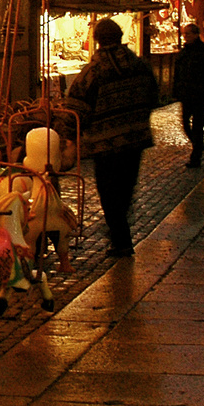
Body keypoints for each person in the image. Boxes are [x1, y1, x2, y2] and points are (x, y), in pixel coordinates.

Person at [62, 18, 157, 256]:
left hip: (105, 143)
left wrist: (69, 136)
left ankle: (121, 239)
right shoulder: (139, 65)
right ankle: (121, 232)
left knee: (109, 190)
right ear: (121, 36)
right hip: (135, 137)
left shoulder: (93, 72)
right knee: (126, 187)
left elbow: (76, 108)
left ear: (97, 40)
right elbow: (154, 94)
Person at [173, 23, 204, 166]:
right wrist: (176, 92)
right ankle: (198, 145)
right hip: (187, 94)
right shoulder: (183, 53)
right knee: (186, 123)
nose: (185, 36)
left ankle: (196, 156)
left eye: (187, 34)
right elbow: (178, 74)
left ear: (195, 34)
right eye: (184, 34)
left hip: (200, 94)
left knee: (198, 125)